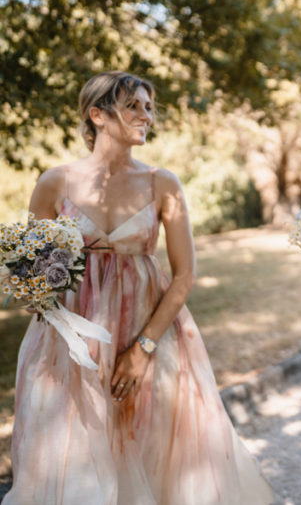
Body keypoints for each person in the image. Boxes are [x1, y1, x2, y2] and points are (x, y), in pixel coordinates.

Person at [6, 71, 272, 504]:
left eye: (149, 107)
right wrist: (30, 293)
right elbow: (32, 275)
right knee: (73, 459)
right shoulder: (55, 182)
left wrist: (142, 349)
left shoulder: (162, 184)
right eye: (134, 106)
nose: (146, 115)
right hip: (70, 345)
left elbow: (184, 274)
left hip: (150, 334)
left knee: (153, 454)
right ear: (98, 115)